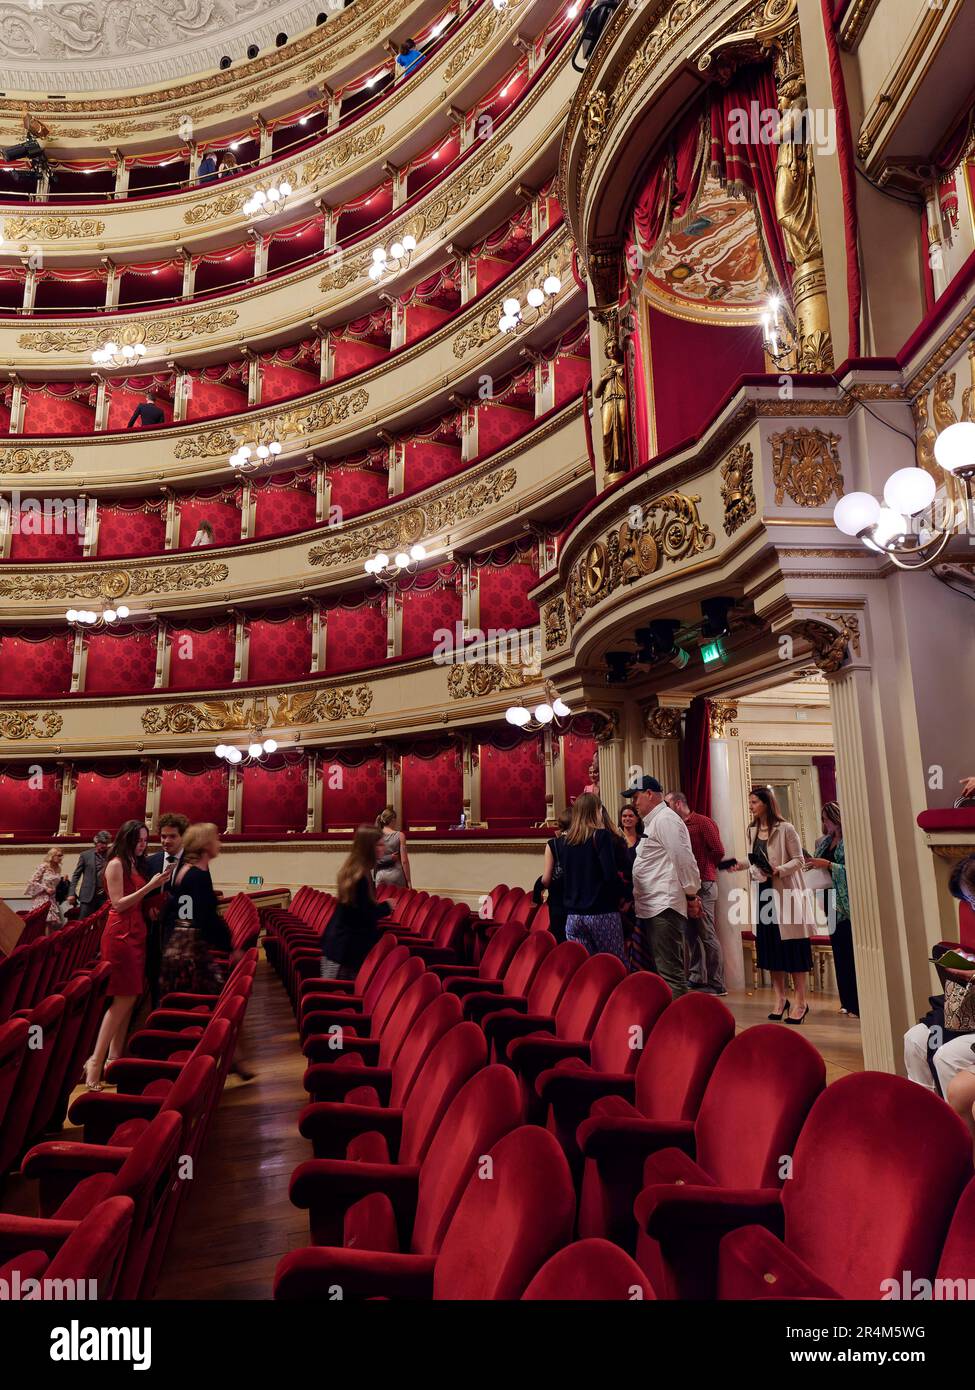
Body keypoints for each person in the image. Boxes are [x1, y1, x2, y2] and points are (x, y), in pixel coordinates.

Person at [83, 821, 172, 1090]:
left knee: (130, 998)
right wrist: (149, 888)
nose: (143, 845)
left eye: (146, 840)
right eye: (138, 840)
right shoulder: (116, 864)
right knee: (122, 999)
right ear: (126, 839)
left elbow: (135, 902)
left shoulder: (135, 862)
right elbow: (119, 904)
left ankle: (114, 1059)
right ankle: (95, 1063)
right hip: (120, 935)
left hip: (137, 932)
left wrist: (151, 906)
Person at [729, 787, 815, 1024]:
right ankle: (780, 999)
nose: (751, 806)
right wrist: (738, 864)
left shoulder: (785, 829)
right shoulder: (752, 830)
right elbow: (754, 857)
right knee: (771, 948)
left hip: (785, 892)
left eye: (754, 802)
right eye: (750, 802)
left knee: (793, 949)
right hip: (765, 894)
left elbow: (799, 859)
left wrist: (779, 869)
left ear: (766, 803)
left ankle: (800, 1002)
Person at [625, 777, 701, 995]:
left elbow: (683, 859)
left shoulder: (666, 820)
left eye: (636, 797)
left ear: (650, 794)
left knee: (670, 974)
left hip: (664, 907)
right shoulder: (654, 821)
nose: (634, 803)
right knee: (659, 972)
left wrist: (691, 895)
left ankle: (679, 1027)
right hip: (653, 907)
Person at [665, 790, 728, 996]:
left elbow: (718, 850)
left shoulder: (702, 822)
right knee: (691, 934)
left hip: (704, 883)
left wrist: (705, 866)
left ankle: (716, 982)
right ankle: (696, 976)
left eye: (667, 804)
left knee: (706, 933)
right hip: (685, 885)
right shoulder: (674, 826)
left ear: (677, 804)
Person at [557, 792, 626, 961]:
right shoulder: (600, 836)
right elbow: (610, 876)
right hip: (601, 913)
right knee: (613, 965)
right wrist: (625, 895)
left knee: (585, 969)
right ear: (596, 810)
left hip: (573, 916)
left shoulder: (565, 842)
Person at [805, 800, 858, 1016]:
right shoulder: (824, 841)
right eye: (823, 819)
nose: (825, 823)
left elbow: (853, 870)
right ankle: (846, 1000)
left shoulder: (850, 841)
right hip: (829, 898)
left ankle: (857, 1002)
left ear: (836, 818)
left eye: (827, 819)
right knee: (839, 950)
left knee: (850, 950)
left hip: (846, 901)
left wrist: (828, 865)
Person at [321, 826, 393, 980]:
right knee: (341, 998)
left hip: (338, 947)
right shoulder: (360, 877)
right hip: (345, 953)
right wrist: (387, 907)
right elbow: (362, 916)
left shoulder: (355, 871)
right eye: (379, 845)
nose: (383, 848)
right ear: (368, 848)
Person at [142, 812, 189, 1008]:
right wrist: (148, 909)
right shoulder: (150, 861)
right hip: (152, 931)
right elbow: (143, 894)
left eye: (172, 836)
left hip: (178, 931)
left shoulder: (193, 862)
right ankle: (156, 1012)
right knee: (153, 975)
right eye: (163, 836)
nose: (166, 841)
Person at [534, 810, 571, 942]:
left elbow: (546, 880)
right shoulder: (582, 842)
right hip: (577, 901)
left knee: (560, 942)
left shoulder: (553, 844)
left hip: (558, 902)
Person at [68, 830, 111, 918]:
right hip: (87, 896)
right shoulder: (85, 855)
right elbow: (76, 875)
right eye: (101, 843)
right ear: (96, 842)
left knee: (103, 924)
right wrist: (71, 893)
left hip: (105, 896)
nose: (104, 845)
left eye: (106, 843)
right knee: (83, 923)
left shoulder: (111, 855)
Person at [24, 847, 68, 929]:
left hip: (52, 898)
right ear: (52, 856)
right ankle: (42, 941)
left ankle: (48, 941)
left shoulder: (58, 868)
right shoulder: (43, 866)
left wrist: (63, 880)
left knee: (51, 924)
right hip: (42, 898)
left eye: (61, 856)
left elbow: (53, 882)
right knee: (44, 922)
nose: (60, 858)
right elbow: (31, 881)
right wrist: (45, 888)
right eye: (58, 856)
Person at [374, 806, 411, 890]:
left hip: (380, 876)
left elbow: (373, 858)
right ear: (393, 820)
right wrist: (408, 881)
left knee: (381, 901)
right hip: (396, 876)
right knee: (398, 902)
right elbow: (404, 861)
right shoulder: (400, 835)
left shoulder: (376, 835)